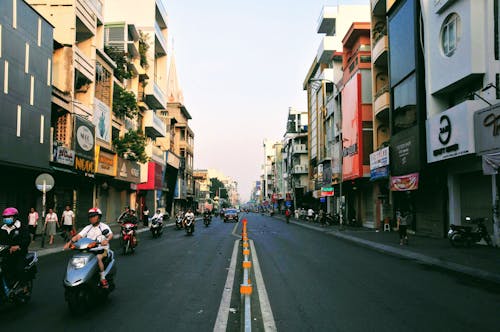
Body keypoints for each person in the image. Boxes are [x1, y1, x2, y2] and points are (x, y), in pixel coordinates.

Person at [65, 208, 113, 288]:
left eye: (94, 216)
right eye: (90, 217)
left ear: (99, 217)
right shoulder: (88, 228)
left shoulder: (104, 226)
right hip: (89, 249)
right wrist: (69, 242)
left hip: (102, 249)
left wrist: (107, 240)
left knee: (98, 258)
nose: (92, 218)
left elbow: (110, 234)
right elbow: (78, 236)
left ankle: (102, 278)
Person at [0, 207, 31, 295]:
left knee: (19, 268)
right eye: (5, 217)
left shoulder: (21, 227)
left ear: (15, 217)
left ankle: (24, 286)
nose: (7, 219)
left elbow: (27, 239)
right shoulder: (2, 229)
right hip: (5, 253)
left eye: (9, 217)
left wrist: (18, 246)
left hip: (18, 254)